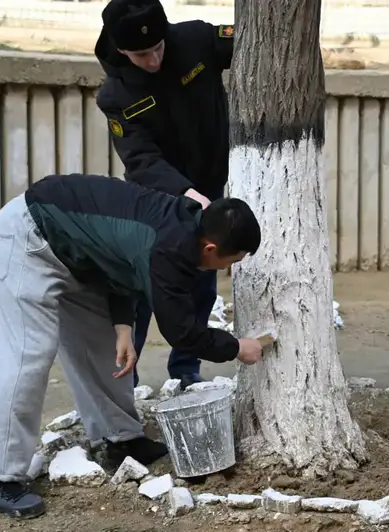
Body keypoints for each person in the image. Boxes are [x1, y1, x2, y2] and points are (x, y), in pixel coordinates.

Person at [0, 173, 264, 519]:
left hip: (79, 257)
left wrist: (123, 326)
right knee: (29, 355)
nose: (228, 269)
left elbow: (119, 255)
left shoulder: (184, 226)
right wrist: (235, 348)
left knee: (106, 346)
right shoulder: (168, 248)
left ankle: (120, 438)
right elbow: (182, 332)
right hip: (30, 238)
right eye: (232, 262)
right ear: (211, 248)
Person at [95, 0, 235, 390]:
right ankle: (127, 377)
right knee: (141, 286)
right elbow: (140, 158)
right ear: (121, 49)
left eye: (159, 47)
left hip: (209, 183)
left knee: (201, 282)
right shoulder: (115, 94)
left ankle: (187, 370)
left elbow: (253, 45)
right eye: (142, 54)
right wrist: (185, 193)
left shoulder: (196, 39)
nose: (154, 59)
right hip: (156, 199)